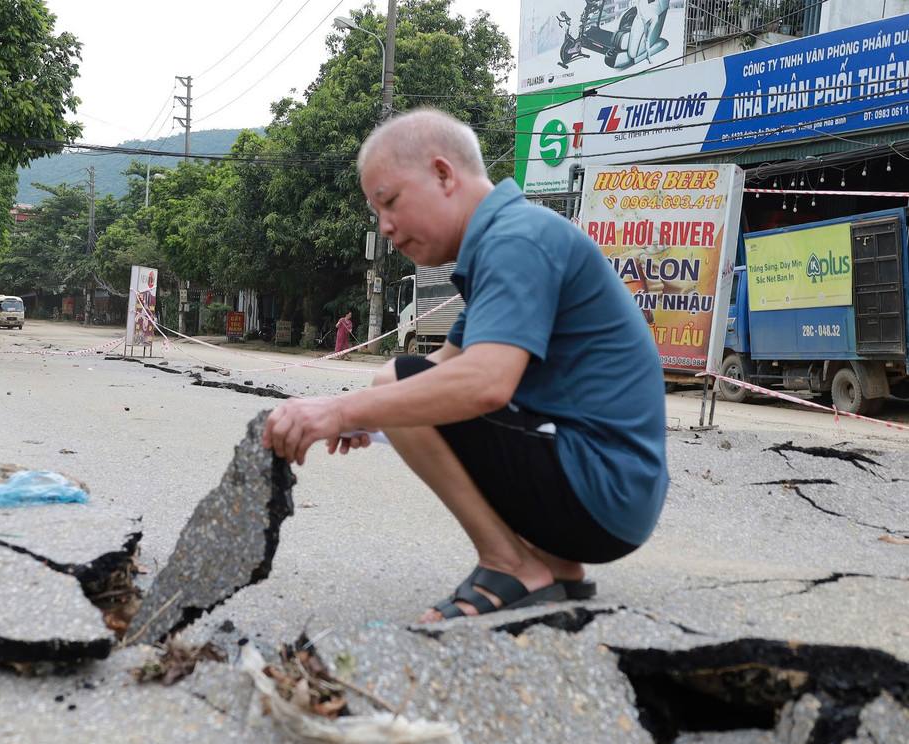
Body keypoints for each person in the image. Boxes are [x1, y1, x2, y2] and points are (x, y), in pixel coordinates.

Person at [262, 109, 668, 622]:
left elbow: (484, 384)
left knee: (394, 379)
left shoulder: (516, 239)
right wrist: (371, 413)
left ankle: (509, 563)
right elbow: (444, 366)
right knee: (397, 384)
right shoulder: (506, 239)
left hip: (603, 490)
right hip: (609, 495)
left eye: (389, 202)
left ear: (443, 174)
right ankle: (554, 565)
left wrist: (343, 411)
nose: (385, 227)